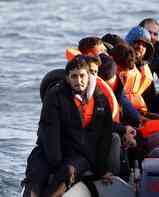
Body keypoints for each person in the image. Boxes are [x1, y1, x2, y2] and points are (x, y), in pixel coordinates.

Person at [22, 56, 117, 196]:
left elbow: (105, 136)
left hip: (80, 155)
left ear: (88, 76)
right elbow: (50, 131)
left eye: (82, 76)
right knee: (37, 173)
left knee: (67, 172)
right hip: (49, 152)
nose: (79, 81)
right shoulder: (54, 95)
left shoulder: (101, 100)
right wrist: (56, 162)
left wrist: (101, 170)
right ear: (67, 78)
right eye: (74, 76)